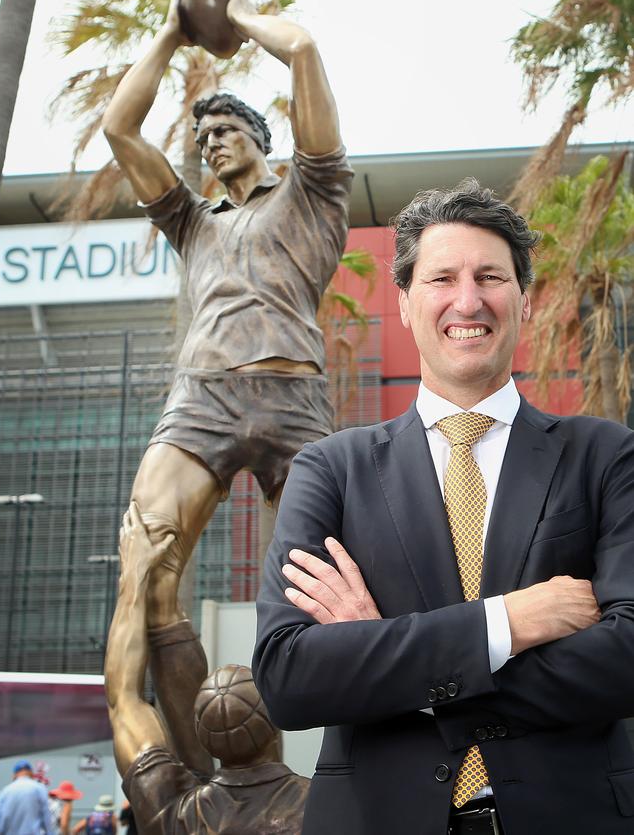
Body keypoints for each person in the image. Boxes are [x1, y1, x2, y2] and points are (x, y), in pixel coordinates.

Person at [253, 179, 634, 835]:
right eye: (442, 278)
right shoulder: (331, 469)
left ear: (526, 300)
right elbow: (290, 676)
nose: (468, 299)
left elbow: (627, 655)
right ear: (403, 302)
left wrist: (389, 661)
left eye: (490, 275)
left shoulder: (605, 456)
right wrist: (504, 623)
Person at [101, 0, 352, 638]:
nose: (212, 143)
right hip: (202, 397)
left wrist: (235, 13)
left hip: (292, 396)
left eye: (225, 130)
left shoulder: (313, 192)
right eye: (204, 135)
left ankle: (292, 731)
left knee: (311, 582)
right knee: (146, 563)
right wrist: (170, 31)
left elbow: (301, 49)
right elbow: (117, 128)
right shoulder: (193, 221)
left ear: (258, 137)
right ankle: (161, 735)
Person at [104, 502, 309, 834]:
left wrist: (134, 575)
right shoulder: (321, 805)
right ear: (276, 726)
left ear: (201, 738)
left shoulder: (171, 814)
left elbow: (123, 699)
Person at [0, 760, 55, 835]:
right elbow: (47, 823)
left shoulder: (4, 792)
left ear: (14, 775)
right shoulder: (39, 789)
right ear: (31, 773)